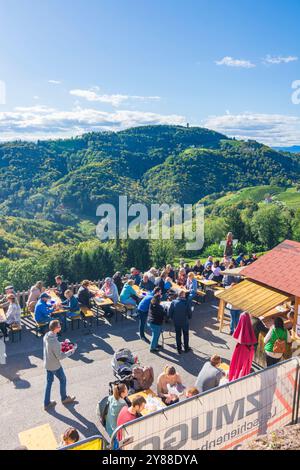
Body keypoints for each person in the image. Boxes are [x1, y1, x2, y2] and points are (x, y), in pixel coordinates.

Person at [43, 320, 76, 410]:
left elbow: (54, 346)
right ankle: (64, 398)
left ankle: (46, 403)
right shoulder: (54, 342)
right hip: (55, 365)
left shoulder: (47, 335)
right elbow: (60, 356)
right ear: (55, 329)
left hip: (48, 363)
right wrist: (70, 351)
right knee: (63, 380)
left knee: (49, 383)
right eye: (59, 326)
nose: (60, 327)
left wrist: (62, 343)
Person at [228, 312, 257, 382]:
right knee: (244, 368)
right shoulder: (251, 326)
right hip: (249, 350)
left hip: (242, 349)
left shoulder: (245, 322)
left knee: (238, 366)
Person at [169, 290, 192, 354]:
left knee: (178, 335)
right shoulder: (186, 302)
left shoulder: (173, 302)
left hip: (177, 322)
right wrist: (189, 317)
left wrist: (171, 318)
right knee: (186, 335)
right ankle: (186, 348)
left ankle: (179, 349)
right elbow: (189, 312)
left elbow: (170, 312)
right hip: (185, 321)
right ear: (183, 295)